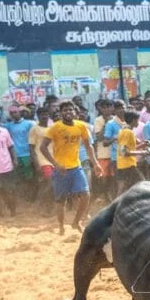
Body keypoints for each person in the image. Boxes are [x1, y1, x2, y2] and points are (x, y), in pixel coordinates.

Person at [40, 100, 95, 234]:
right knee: (61, 201)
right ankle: (61, 227)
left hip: (76, 167)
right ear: (61, 113)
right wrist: (56, 164)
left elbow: (89, 146)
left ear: (75, 112)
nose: (68, 112)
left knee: (86, 194)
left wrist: (96, 163)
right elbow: (43, 147)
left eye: (70, 109)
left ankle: (76, 222)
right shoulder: (55, 127)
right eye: (65, 110)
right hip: (61, 170)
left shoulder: (81, 126)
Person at [116, 110, 150, 192]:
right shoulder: (128, 132)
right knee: (142, 185)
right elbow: (124, 152)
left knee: (123, 190)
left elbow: (130, 149)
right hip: (128, 165)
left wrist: (143, 145)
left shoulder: (123, 131)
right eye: (137, 120)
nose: (138, 122)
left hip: (122, 165)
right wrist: (142, 153)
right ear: (134, 120)